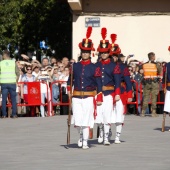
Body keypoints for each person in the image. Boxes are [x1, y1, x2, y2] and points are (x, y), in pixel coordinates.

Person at [67, 26, 103, 149]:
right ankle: (81, 136)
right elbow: (69, 80)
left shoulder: (94, 67)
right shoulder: (75, 66)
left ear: (90, 53)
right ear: (81, 53)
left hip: (89, 96)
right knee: (78, 119)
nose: (85, 54)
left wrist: (99, 98)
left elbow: (99, 83)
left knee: (87, 119)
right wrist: (69, 91)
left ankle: (85, 141)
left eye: (87, 52)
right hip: (76, 96)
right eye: (83, 52)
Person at [95, 29, 121, 145]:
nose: (104, 54)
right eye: (102, 52)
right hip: (98, 94)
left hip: (109, 93)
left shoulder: (113, 66)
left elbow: (117, 81)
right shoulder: (96, 65)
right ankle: (101, 131)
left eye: (105, 52)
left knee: (107, 115)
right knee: (98, 116)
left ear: (109, 53)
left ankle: (106, 137)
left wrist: (117, 93)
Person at [111, 46, 132, 143]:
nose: (114, 58)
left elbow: (128, 82)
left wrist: (129, 95)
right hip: (109, 92)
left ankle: (117, 136)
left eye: (115, 56)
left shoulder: (123, 67)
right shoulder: (105, 66)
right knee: (107, 114)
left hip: (121, 93)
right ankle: (107, 132)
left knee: (119, 115)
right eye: (112, 56)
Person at [141, 52, 162, 117]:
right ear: (153, 57)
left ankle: (143, 112)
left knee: (146, 97)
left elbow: (142, 72)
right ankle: (153, 112)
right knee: (154, 97)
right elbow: (160, 71)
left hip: (146, 82)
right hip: (154, 82)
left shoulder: (144, 65)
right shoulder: (156, 65)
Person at [0, 50, 20, 118]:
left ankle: (4, 114)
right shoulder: (13, 62)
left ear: (5, 55)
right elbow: (18, 73)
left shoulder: (1, 63)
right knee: (13, 99)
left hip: (3, 83)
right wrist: (16, 80)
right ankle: (14, 114)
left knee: (4, 99)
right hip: (12, 83)